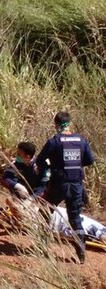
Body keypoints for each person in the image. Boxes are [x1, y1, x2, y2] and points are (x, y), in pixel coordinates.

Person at [36, 111, 95, 263]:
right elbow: (90, 160)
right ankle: (81, 253)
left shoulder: (54, 141)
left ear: (56, 124)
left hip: (58, 184)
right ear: (69, 123)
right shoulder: (81, 140)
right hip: (76, 186)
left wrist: (46, 171)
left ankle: (42, 246)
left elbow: (41, 160)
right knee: (75, 218)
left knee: (44, 210)